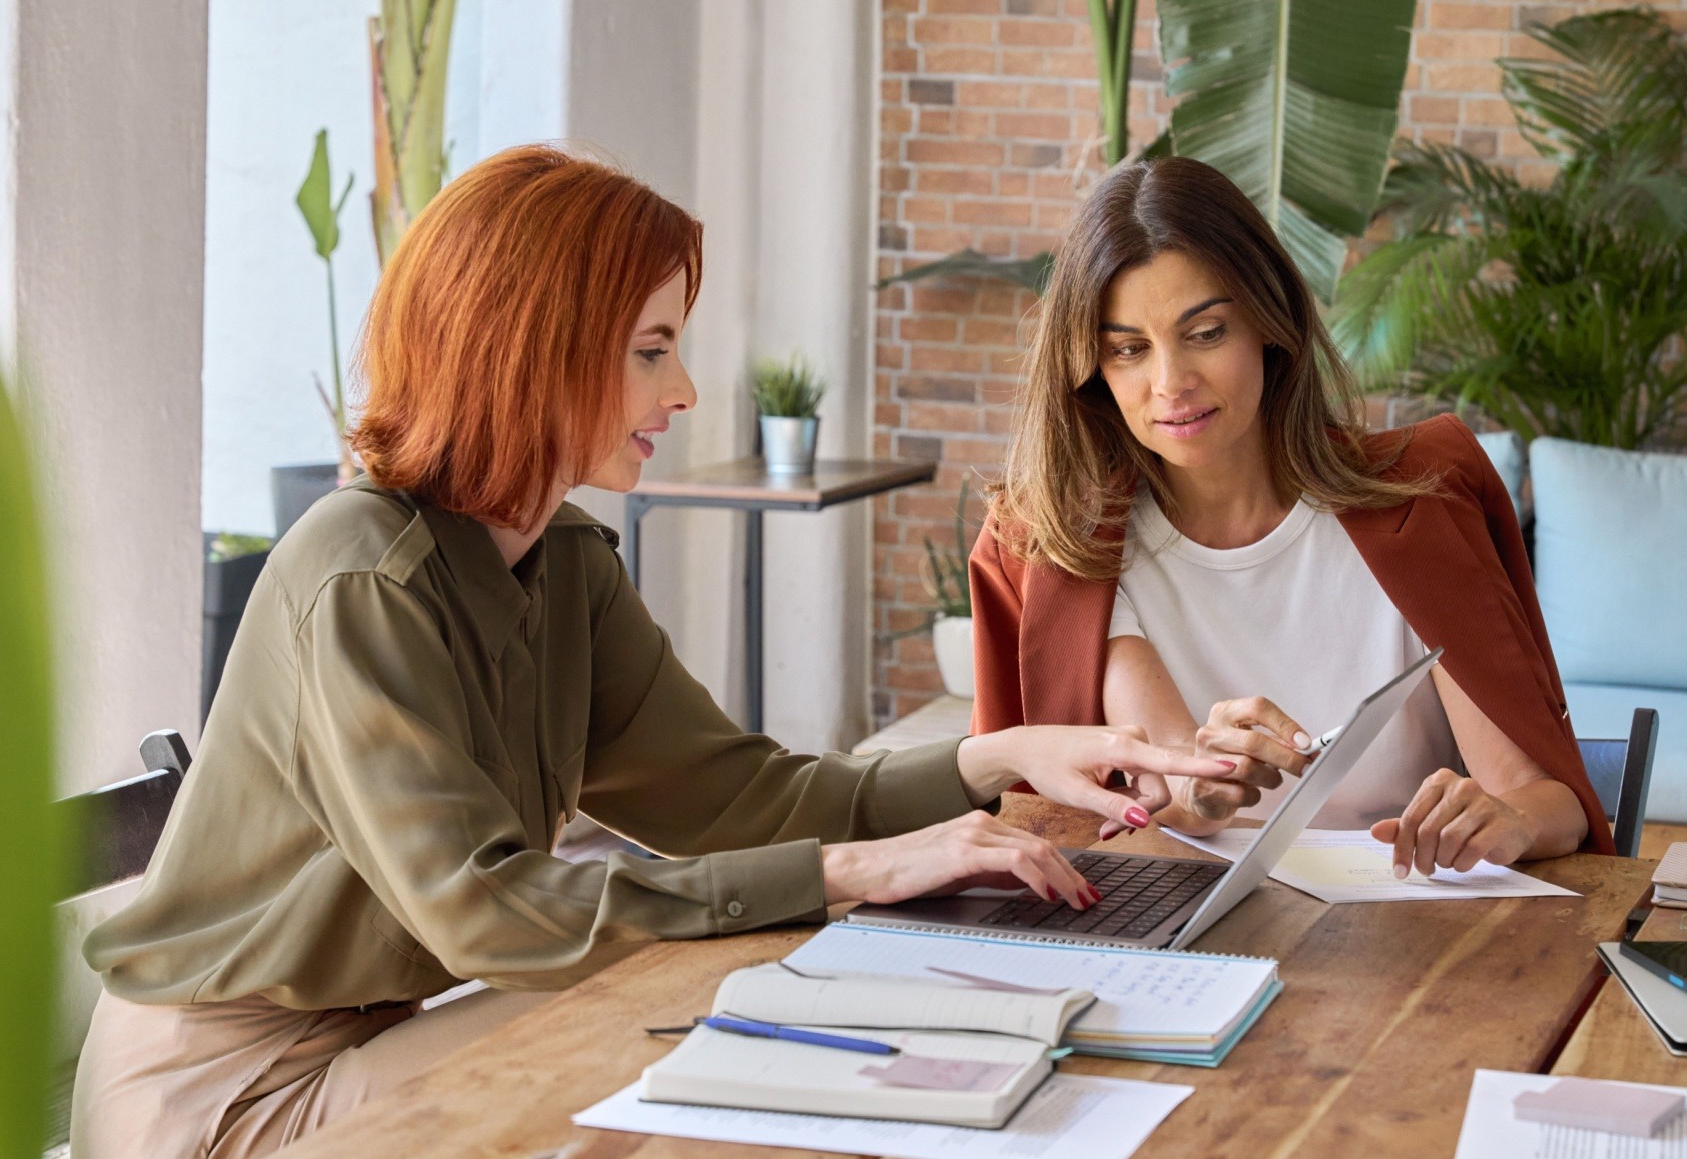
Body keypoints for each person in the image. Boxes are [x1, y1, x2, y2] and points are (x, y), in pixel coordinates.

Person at [71, 147, 1231, 1159]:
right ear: (530, 350)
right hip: (225, 1103)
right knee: (710, 1011)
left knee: (737, 992)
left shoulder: (563, 561)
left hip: (370, 1043)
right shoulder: (363, 578)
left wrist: (994, 759)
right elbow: (486, 915)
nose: (681, 391)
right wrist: (842, 873)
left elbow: (740, 799)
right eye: (649, 350)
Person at [969, 156, 1611, 883]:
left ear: (1269, 325)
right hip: (1194, 945)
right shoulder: (1065, 550)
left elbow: (1549, 798)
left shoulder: (1418, 500)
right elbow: (1175, 785)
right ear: (1092, 368)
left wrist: (1509, 818)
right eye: (1128, 349)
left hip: (1418, 940)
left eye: (1206, 332)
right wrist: (1204, 793)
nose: (1171, 382)